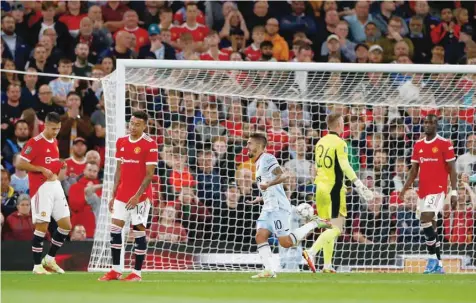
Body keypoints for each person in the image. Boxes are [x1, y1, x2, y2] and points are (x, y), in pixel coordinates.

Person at [246, 133, 330, 278]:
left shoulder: (268, 158)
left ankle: (314, 223)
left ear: (259, 146)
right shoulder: (258, 162)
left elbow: (283, 175)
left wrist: (268, 184)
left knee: (285, 242)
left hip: (278, 207)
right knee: (260, 236)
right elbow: (268, 188)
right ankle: (268, 270)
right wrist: (259, 198)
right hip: (268, 206)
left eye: (249, 143)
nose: (247, 146)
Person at [302, 112, 373, 273]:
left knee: (328, 228)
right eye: (343, 122)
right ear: (339, 125)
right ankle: (311, 252)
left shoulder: (320, 142)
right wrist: (359, 184)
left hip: (319, 189)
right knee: (337, 229)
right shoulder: (340, 143)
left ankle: (327, 265)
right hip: (334, 190)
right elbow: (345, 166)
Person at [98, 111, 158, 282]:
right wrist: (113, 193)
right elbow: (119, 170)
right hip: (122, 195)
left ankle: (136, 273)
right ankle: (115, 270)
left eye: (137, 124)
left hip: (140, 197)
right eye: (131, 123)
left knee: (138, 232)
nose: (132, 127)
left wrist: (137, 195)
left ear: (145, 126)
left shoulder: (150, 144)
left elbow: (149, 175)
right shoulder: (121, 142)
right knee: (115, 230)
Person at [399, 114, 458, 274]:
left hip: (438, 189)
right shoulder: (418, 145)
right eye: (426, 122)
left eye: (431, 123)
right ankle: (438, 264)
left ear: (436, 125)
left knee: (425, 218)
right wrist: (404, 189)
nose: (428, 125)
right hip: (423, 191)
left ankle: (431, 258)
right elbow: (413, 171)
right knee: (430, 226)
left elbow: (452, 169)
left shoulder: (444, 144)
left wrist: (453, 191)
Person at [16, 112, 71, 275]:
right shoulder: (34, 142)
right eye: (53, 128)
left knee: (66, 225)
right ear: (45, 125)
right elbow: (20, 164)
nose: (55, 132)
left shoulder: (54, 141)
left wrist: (58, 166)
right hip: (41, 188)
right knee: (42, 226)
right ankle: (36, 266)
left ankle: (50, 259)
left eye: (58, 129)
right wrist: (40, 169)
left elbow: (49, 161)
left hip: (55, 185)